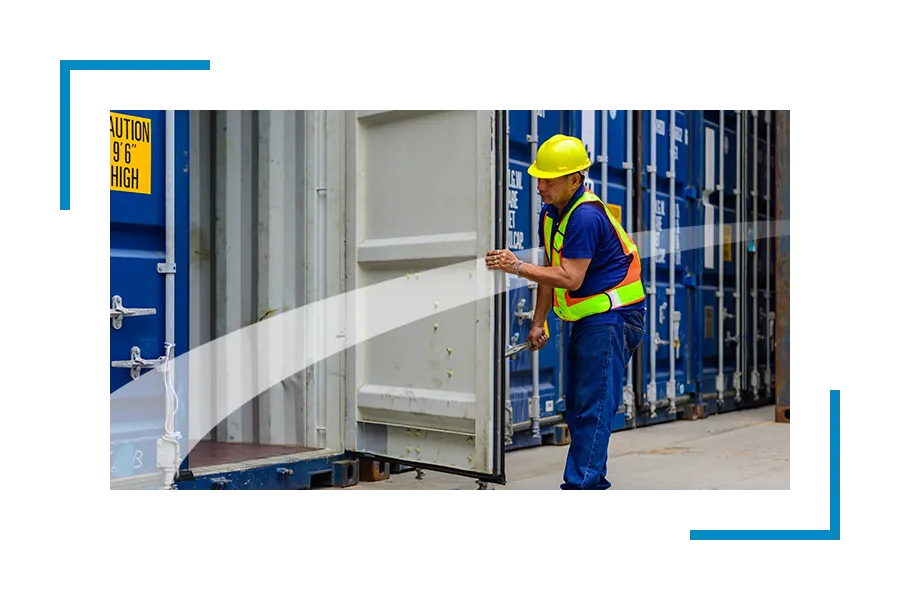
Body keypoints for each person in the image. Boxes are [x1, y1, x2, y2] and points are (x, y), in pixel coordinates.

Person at [485, 134, 646, 496]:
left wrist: (516, 266)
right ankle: (590, 485)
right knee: (579, 405)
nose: (540, 186)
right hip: (591, 319)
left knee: (593, 406)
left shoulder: (586, 216)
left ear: (575, 179)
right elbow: (550, 269)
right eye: (539, 178)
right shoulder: (551, 214)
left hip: (614, 318)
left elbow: (569, 276)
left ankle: (580, 489)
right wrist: (539, 321)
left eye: (549, 179)